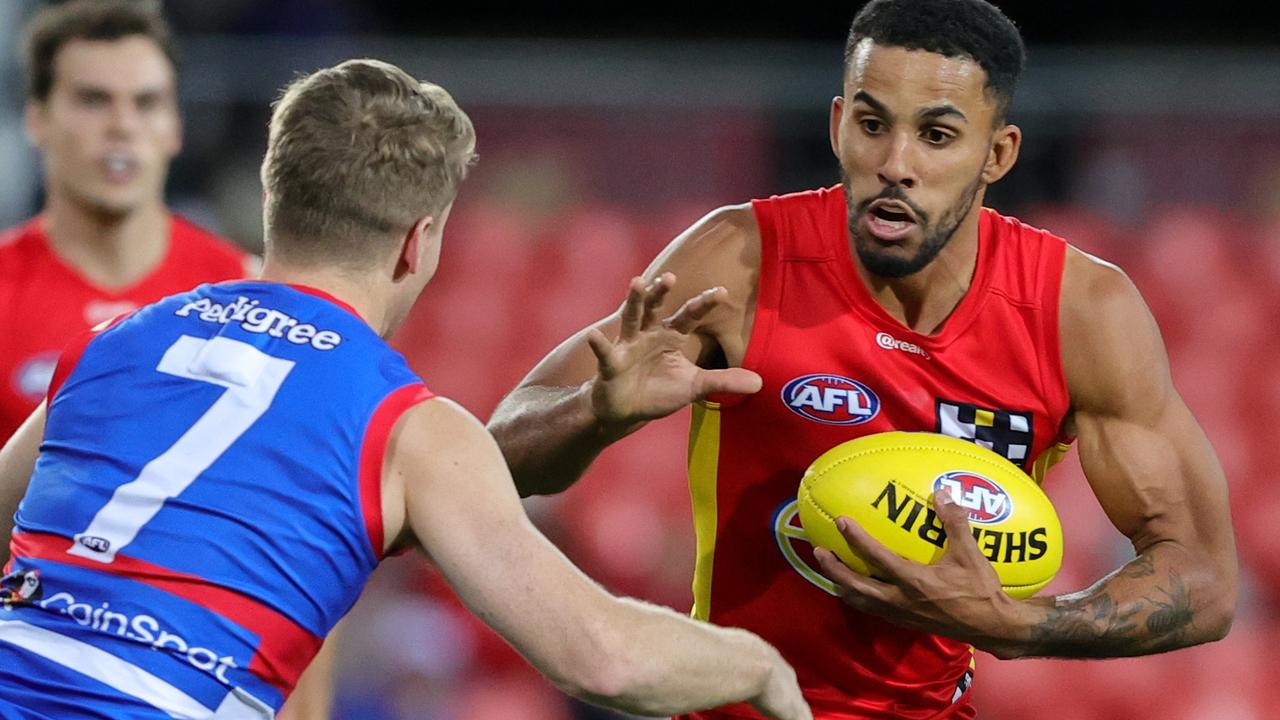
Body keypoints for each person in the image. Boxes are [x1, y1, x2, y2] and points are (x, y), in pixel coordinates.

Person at [487, 0, 1238, 717]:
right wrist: (593, 414)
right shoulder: (740, 260)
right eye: (873, 125)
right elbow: (491, 458)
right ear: (840, 125)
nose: (896, 164)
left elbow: (1203, 580)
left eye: (938, 136)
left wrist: (1022, 624)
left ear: (997, 154)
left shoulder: (1080, 313)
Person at [0, 59, 811, 720]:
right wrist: (762, 665)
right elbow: (602, 657)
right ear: (419, 242)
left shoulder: (115, 341)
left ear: (275, 195)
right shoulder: (405, 423)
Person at [0, 0, 251, 446]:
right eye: (93, 100)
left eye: (146, 102)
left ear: (175, 126)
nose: (122, 125)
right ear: (37, 120)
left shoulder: (246, 292)